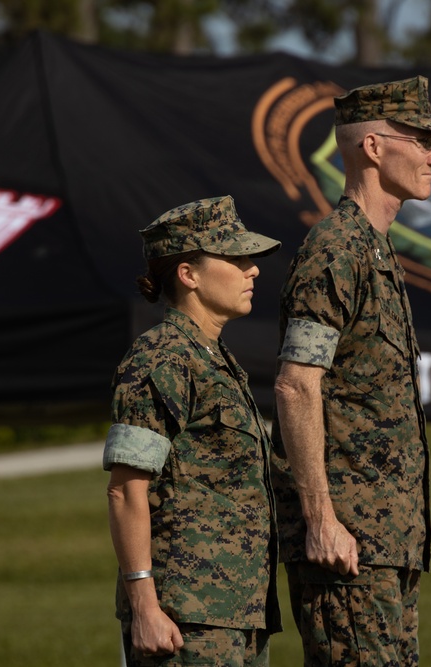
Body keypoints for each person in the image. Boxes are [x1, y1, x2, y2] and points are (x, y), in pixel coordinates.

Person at [271, 76, 431, 666]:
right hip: (347, 549)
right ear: (374, 148)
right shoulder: (336, 251)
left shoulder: (375, 250)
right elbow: (296, 383)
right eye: (422, 140)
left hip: (387, 547)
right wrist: (322, 520)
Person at [104, 195, 282, 667]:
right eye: (237, 258)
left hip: (236, 613)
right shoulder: (162, 357)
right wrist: (144, 606)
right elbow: (125, 490)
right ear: (189, 274)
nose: (253, 270)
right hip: (186, 621)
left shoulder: (212, 358)